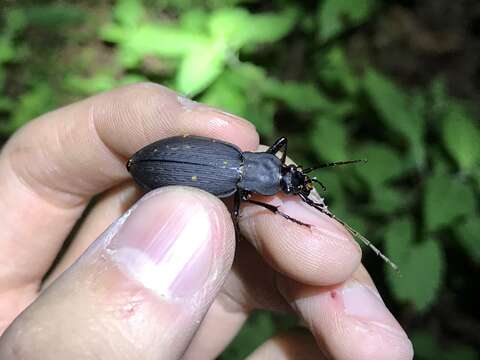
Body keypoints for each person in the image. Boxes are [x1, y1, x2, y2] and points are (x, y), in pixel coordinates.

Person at [0, 83, 413, 359]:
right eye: (287, 182)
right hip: (157, 166)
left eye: (289, 183)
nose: (292, 182)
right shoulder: (239, 182)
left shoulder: (238, 158)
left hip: (169, 162)